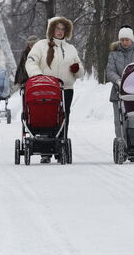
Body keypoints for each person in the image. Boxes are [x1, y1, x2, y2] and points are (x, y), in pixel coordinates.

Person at [26, 17, 84, 162]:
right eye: (57, 28)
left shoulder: (70, 49)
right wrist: (38, 77)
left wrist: (77, 69)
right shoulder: (41, 45)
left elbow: (80, 71)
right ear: (51, 30)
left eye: (63, 29)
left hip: (66, 88)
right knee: (47, 116)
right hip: (46, 88)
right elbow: (31, 61)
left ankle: (60, 148)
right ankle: (45, 151)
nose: (60, 32)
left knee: (64, 117)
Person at [106, 25, 134, 162]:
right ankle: (122, 147)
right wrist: (118, 80)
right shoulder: (114, 54)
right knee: (119, 122)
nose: (125, 42)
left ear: (132, 40)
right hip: (118, 92)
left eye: (127, 39)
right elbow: (110, 71)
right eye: (122, 40)